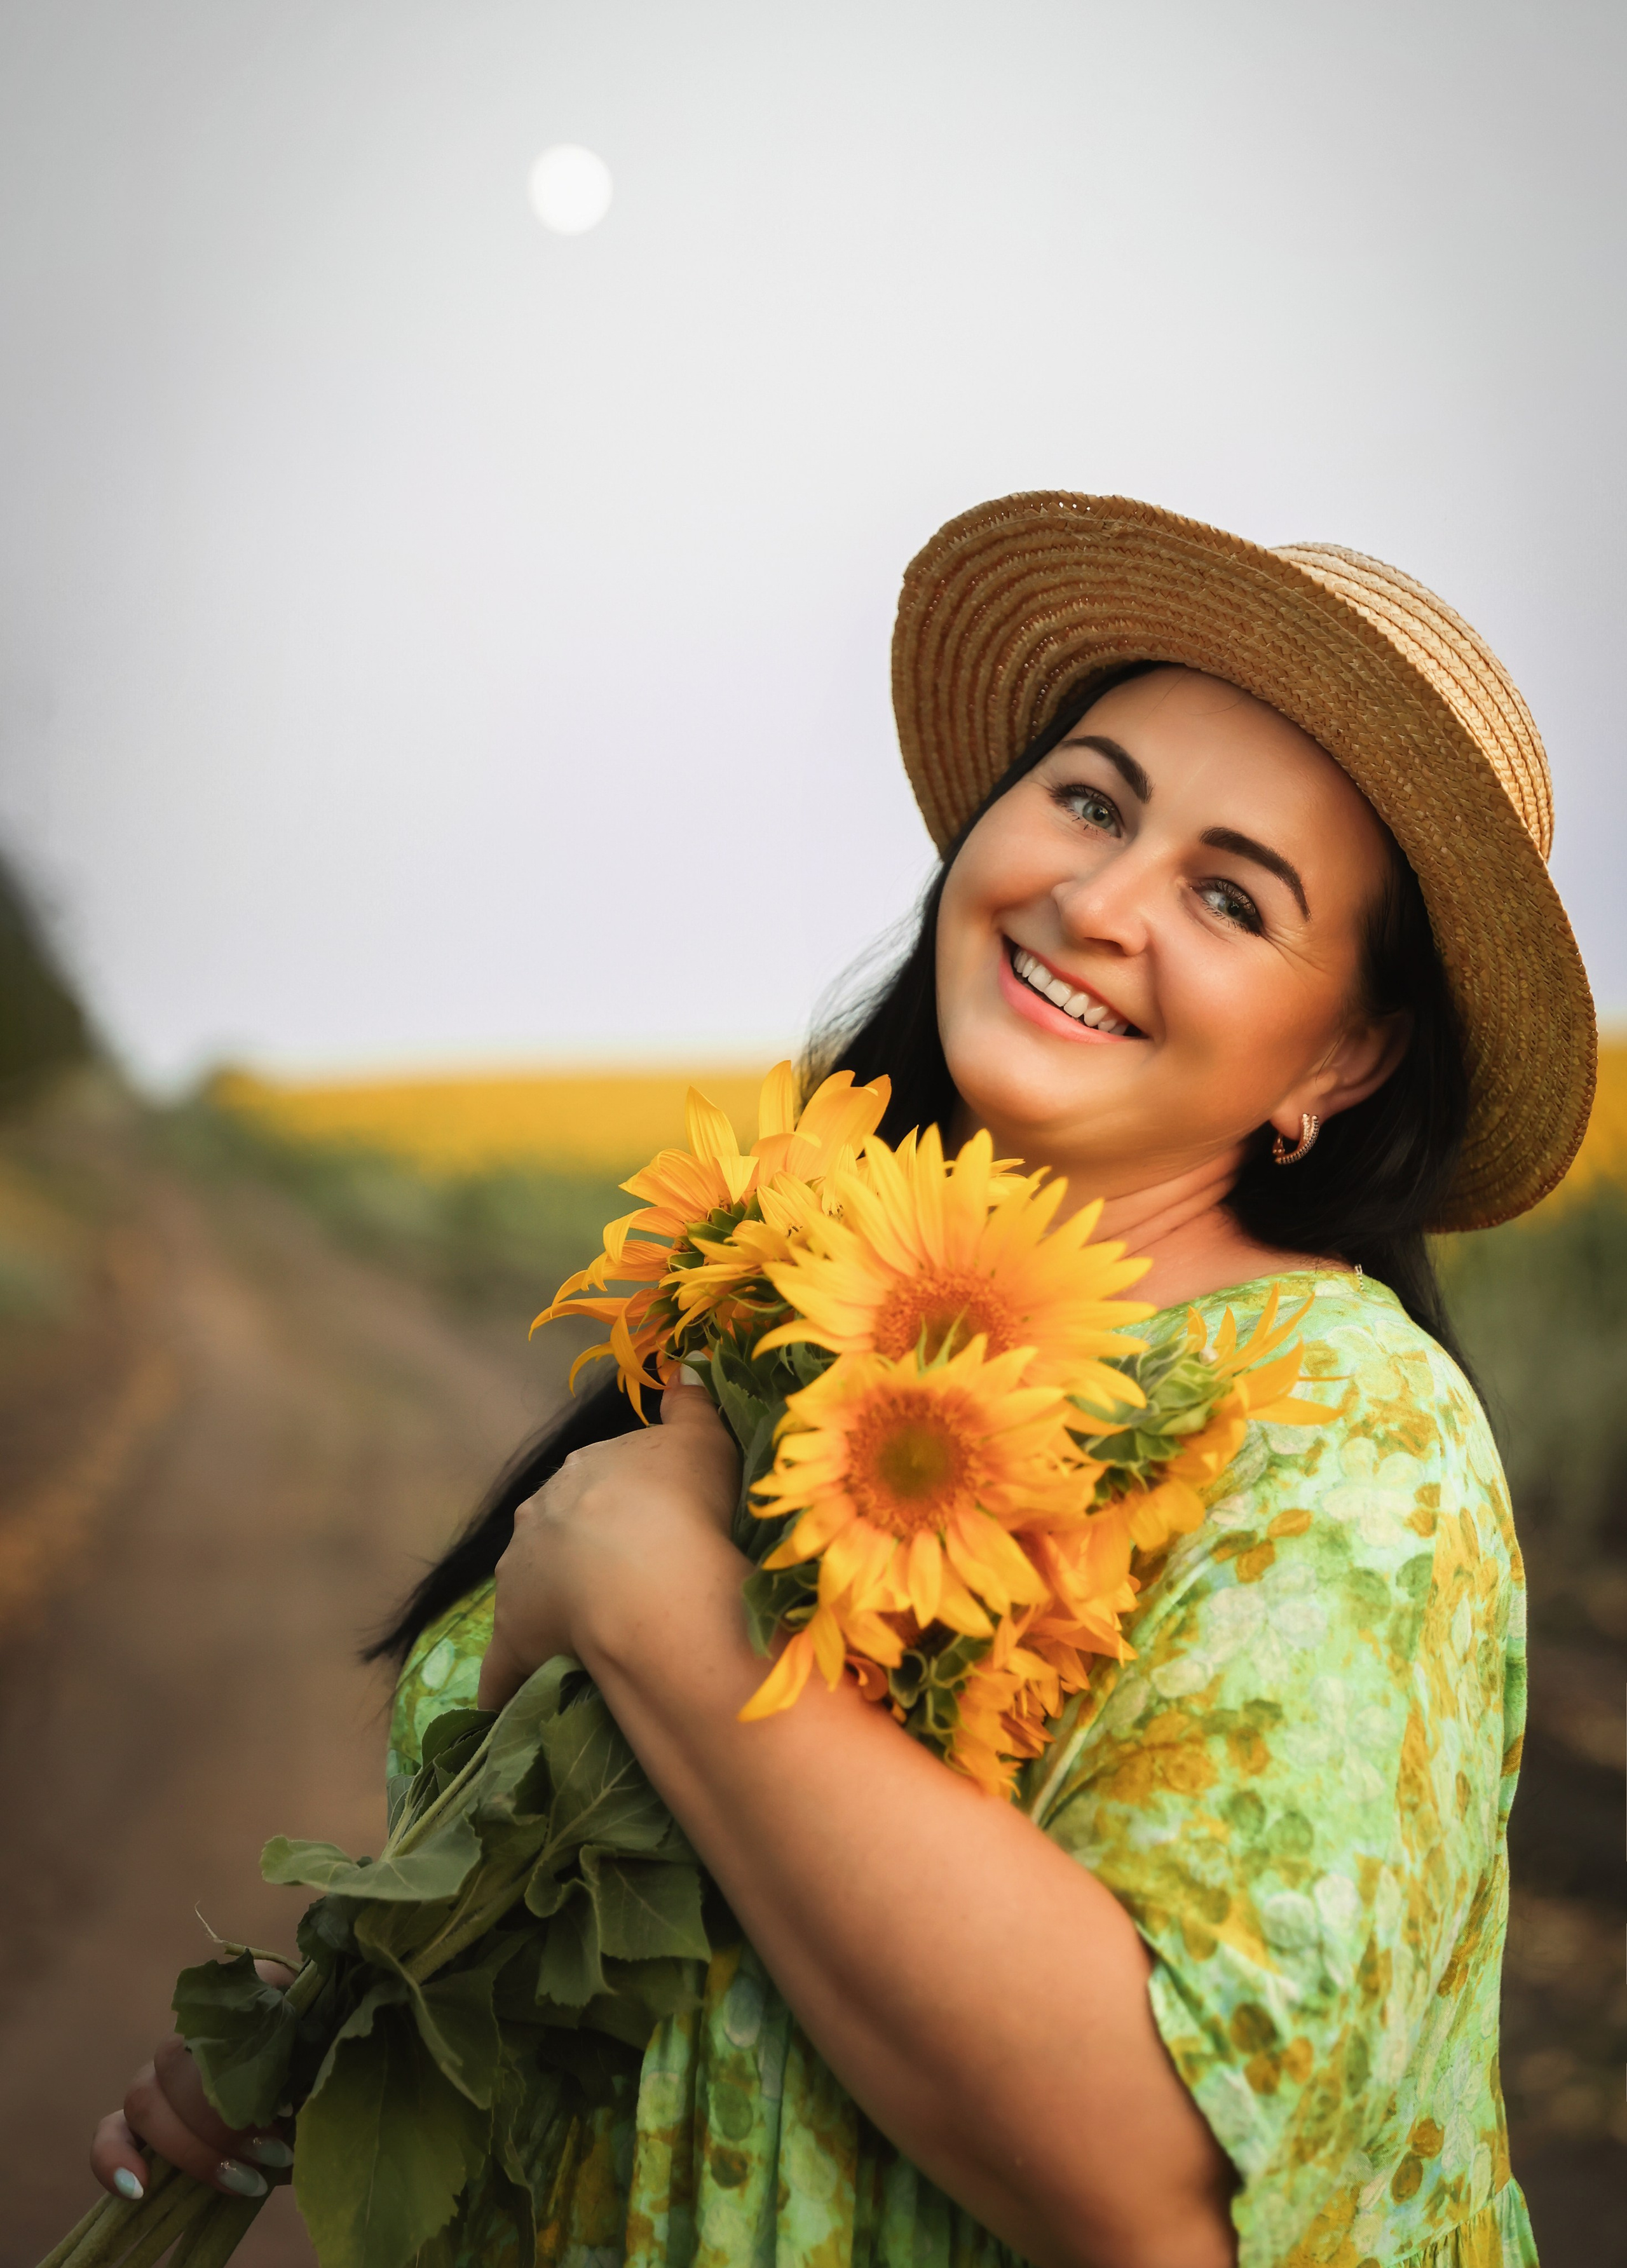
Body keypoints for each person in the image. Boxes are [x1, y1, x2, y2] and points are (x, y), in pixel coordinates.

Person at [93, 494, 1593, 2266]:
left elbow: (1161, 2186)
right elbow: (629, 1873)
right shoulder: (786, 1276)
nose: (1100, 899)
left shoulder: (1347, 1436)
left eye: (1228, 893)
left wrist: (666, 1607)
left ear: (1341, 1055)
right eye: (1093, 800)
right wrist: (340, 2006)